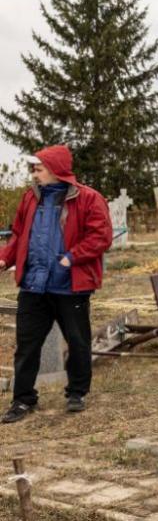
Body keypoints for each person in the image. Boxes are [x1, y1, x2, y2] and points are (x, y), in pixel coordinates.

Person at [0, 145, 112, 423]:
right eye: (34, 169)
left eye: (39, 169)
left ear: (55, 169)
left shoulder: (87, 198)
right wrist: (5, 258)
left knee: (77, 341)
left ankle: (77, 392)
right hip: (33, 286)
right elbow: (18, 235)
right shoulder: (30, 198)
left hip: (69, 284)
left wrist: (70, 258)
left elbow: (100, 237)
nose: (34, 174)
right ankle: (23, 399)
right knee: (27, 345)